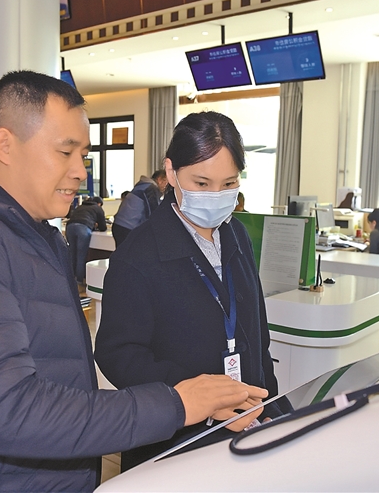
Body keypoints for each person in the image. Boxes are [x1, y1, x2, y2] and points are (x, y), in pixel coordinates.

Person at [0, 71, 268, 493]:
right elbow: (10, 410)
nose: (80, 171)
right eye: (65, 152)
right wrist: (178, 402)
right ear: (5, 145)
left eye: (83, 155)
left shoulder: (37, 238)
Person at [95, 111, 291, 471]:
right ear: (171, 173)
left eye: (229, 183)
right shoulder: (137, 255)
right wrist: (198, 397)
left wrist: (271, 405)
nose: (216, 195)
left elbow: (256, 333)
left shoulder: (237, 235)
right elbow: (118, 354)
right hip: (176, 442)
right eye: (202, 183)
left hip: (248, 426)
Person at [110, 169, 167, 246]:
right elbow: (153, 213)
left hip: (119, 225)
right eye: (166, 182)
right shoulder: (151, 188)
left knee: (123, 252)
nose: (166, 186)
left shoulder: (142, 185)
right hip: (128, 228)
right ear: (159, 179)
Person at [66, 195, 106, 286]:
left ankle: (70, 280)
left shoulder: (80, 207)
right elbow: (103, 227)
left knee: (72, 254)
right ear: (99, 204)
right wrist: (95, 225)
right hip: (83, 228)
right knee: (81, 256)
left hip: (70, 227)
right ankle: (79, 281)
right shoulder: (97, 208)